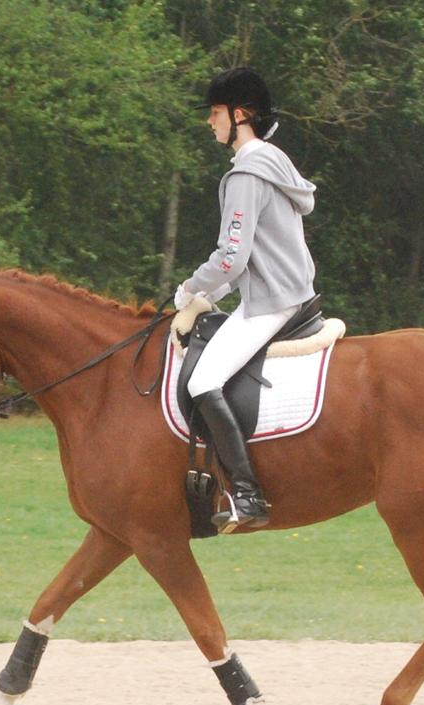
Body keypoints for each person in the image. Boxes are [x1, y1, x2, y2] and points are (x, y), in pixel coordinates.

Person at [175, 67, 318, 532]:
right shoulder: (273, 161)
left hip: (273, 301)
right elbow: (243, 261)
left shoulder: (245, 175)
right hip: (288, 291)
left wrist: (191, 290)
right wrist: (209, 293)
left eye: (215, 113)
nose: (210, 122)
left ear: (240, 115)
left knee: (203, 380)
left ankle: (247, 495)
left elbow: (231, 258)